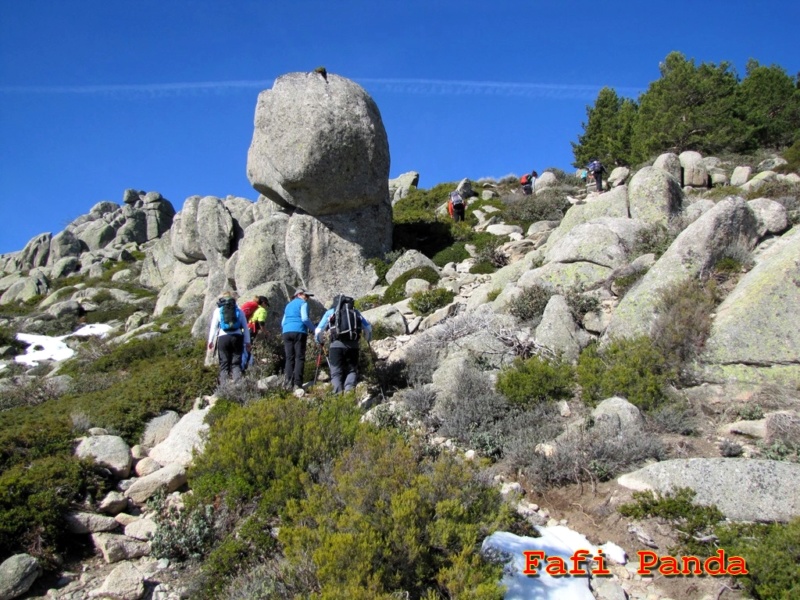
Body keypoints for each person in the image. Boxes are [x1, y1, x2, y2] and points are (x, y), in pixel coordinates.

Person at [315, 295, 372, 394]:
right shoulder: (355, 312)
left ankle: (338, 397)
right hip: (353, 346)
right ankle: (349, 393)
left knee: (336, 373)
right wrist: (368, 339)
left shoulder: (331, 312)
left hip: (336, 345)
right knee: (351, 371)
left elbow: (318, 330)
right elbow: (368, 328)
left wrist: (319, 341)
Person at [207, 291, 251, 383]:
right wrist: (247, 342)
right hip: (237, 337)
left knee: (224, 364)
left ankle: (224, 387)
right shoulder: (239, 309)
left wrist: (210, 341)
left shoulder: (218, 310)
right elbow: (245, 328)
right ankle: (238, 384)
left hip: (223, 338)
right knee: (236, 363)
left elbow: (214, 326)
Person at [281, 288, 316, 389]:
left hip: (286, 331)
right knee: (299, 358)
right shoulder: (303, 303)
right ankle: (297, 383)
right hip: (299, 331)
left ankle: (288, 383)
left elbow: (283, 322)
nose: (307, 298)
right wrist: (313, 329)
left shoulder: (288, 305)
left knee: (289, 358)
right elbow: (304, 318)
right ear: (299, 294)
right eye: (306, 296)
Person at [240, 295, 269, 371]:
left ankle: (243, 366)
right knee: (247, 348)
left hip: (245, 330)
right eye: (266, 304)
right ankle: (247, 367)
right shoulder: (262, 310)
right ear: (263, 303)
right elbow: (261, 322)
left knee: (243, 349)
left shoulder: (255, 309)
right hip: (251, 331)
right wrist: (265, 332)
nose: (266, 306)